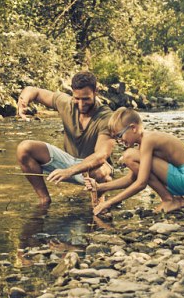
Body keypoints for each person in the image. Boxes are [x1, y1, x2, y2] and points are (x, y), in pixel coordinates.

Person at [16, 71, 115, 206]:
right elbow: (33, 91)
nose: (81, 104)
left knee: (100, 171)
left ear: (96, 91)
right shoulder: (66, 103)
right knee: (24, 148)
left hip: (91, 168)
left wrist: (69, 171)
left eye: (86, 99)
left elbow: (100, 156)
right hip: (67, 161)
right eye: (77, 98)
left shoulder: (106, 117)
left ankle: (99, 206)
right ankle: (44, 200)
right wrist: (23, 101)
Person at [85, 107, 184, 215]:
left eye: (120, 135)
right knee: (131, 157)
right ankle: (175, 200)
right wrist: (100, 187)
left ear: (133, 128)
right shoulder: (142, 146)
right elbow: (131, 179)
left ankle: (169, 200)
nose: (119, 140)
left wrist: (109, 202)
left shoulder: (148, 140)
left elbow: (141, 183)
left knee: (128, 156)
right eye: (116, 138)